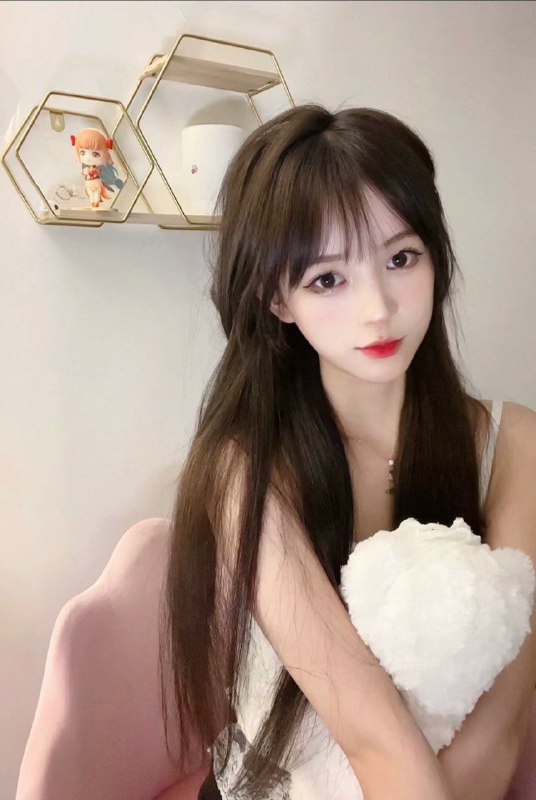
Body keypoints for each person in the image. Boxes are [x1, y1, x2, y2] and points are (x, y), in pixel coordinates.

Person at [157, 103, 536, 800]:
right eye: (328, 279)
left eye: (401, 258)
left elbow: (501, 724)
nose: (378, 308)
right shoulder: (247, 471)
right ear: (277, 300)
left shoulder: (514, 445)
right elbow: (371, 737)